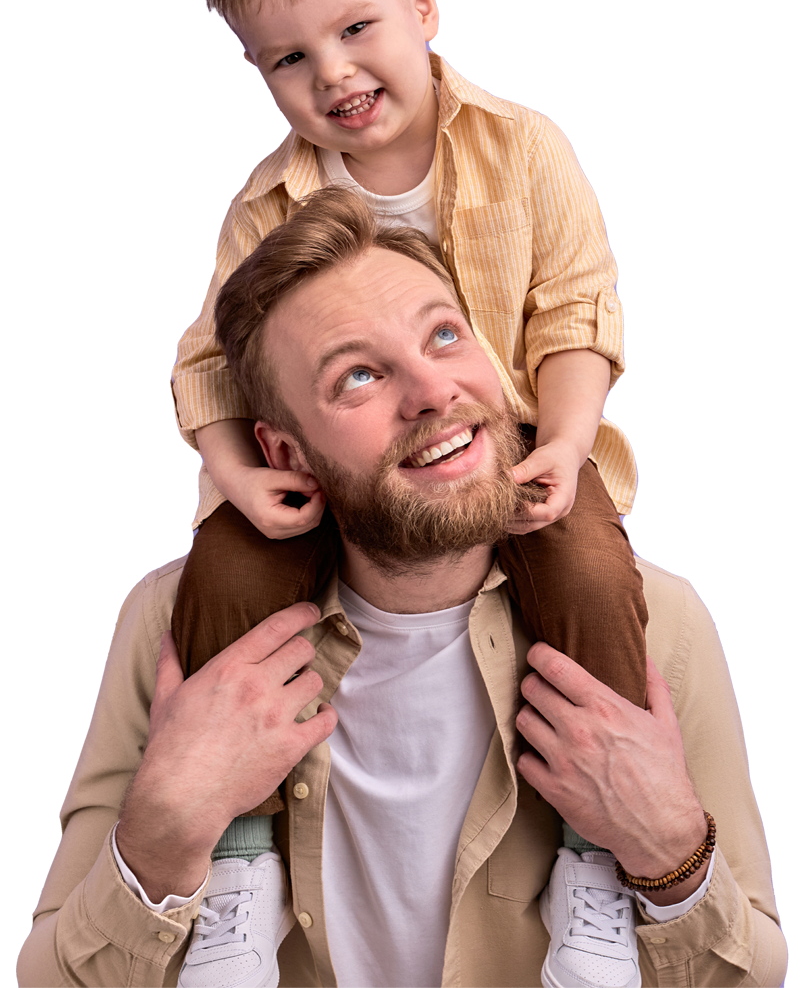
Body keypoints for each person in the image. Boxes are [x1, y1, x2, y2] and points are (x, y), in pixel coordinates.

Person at [18, 196, 786, 988]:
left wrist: (668, 853)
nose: (432, 390)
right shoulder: (171, 625)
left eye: (444, 335)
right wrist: (164, 835)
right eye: (357, 375)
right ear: (287, 452)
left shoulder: (660, 625)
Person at [169, 0, 647, 987]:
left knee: (585, 568)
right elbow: (207, 363)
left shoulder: (522, 148)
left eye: (354, 28)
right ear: (258, 75)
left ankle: (594, 869)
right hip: (342, 478)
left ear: (420, 2)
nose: (331, 73)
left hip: (515, 453)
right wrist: (238, 475)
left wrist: (565, 445)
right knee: (224, 571)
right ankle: (237, 867)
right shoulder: (266, 206)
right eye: (289, 59)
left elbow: (574, 312)